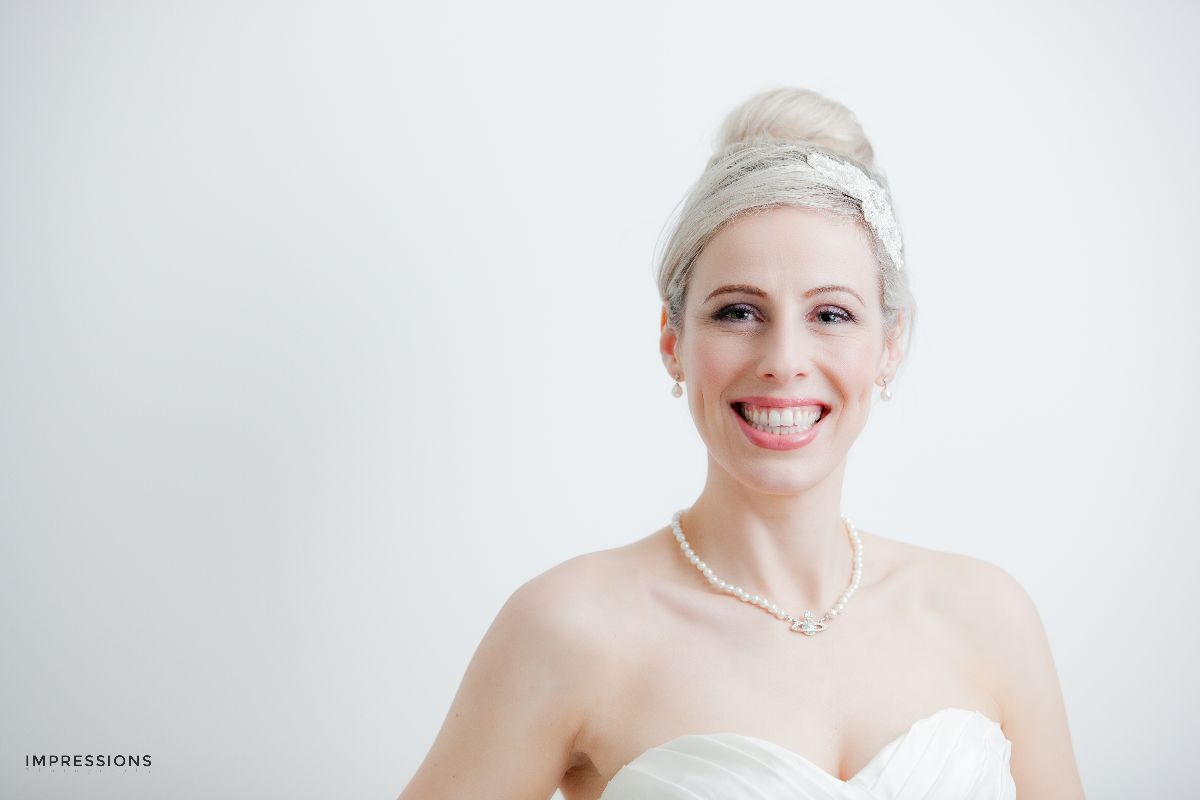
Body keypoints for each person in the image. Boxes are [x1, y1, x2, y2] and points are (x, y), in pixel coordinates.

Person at [398, 87, 1085, 800]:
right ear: (673, 342)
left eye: (830, 314)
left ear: (890, 344)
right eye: (738, 312)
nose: (783, 361)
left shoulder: (989, 618)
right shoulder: (568, 630)